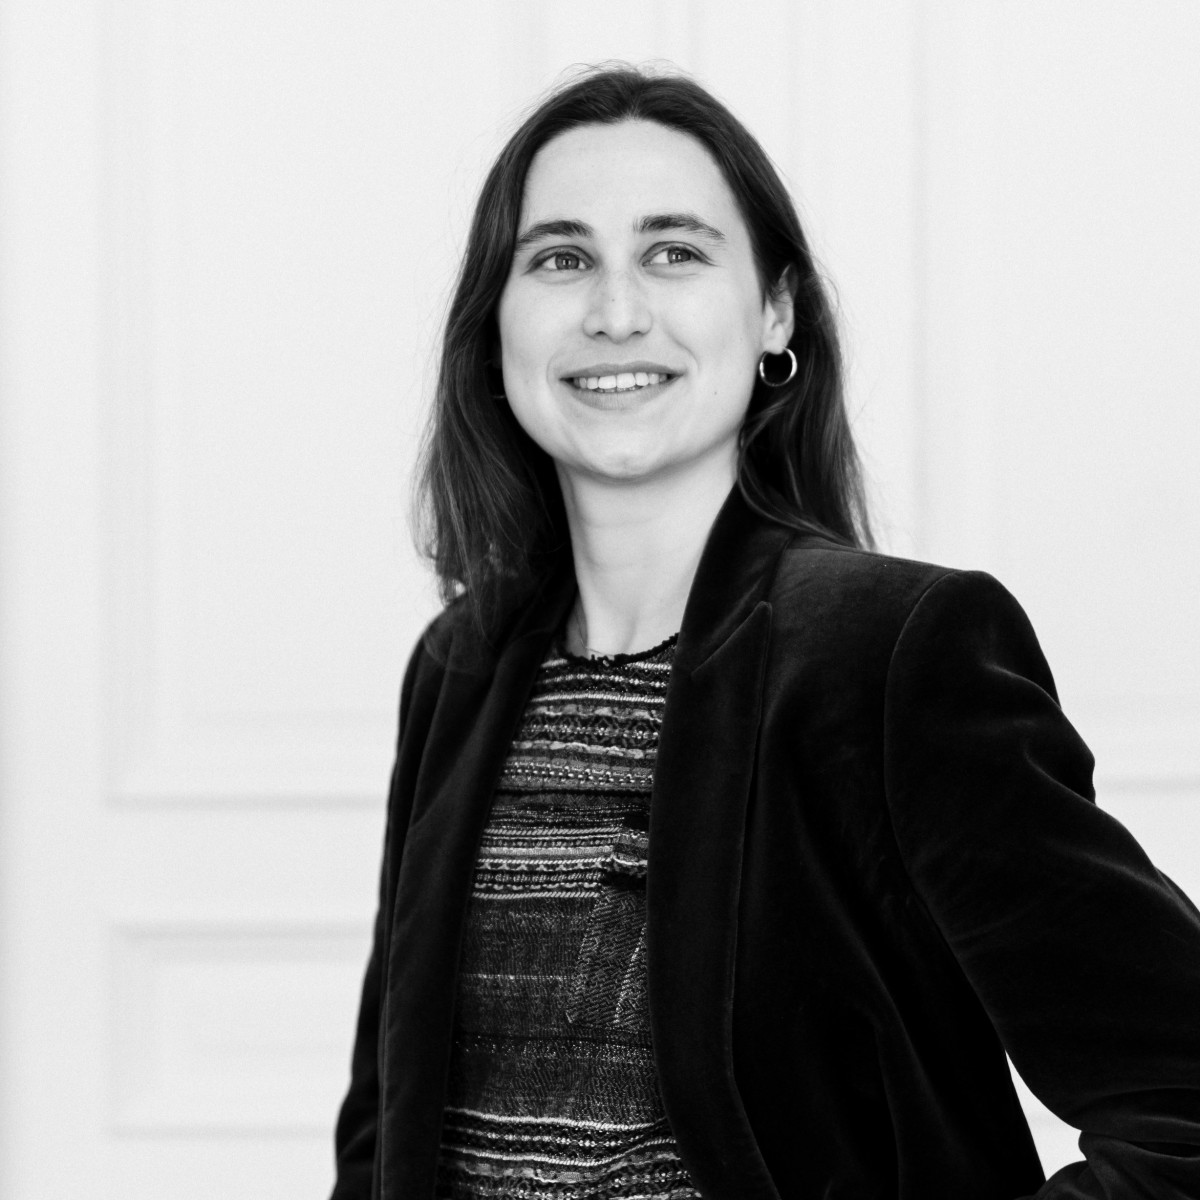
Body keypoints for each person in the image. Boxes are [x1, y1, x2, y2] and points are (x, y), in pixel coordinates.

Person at [330, 64, 1200, 1200]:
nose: (615, 311)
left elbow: (1183, 1111)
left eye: (674, 252)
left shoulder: (894, 654)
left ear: (775, 312)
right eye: (560, 259)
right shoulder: (459, 666)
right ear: (496, 322)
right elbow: (384, 1127)